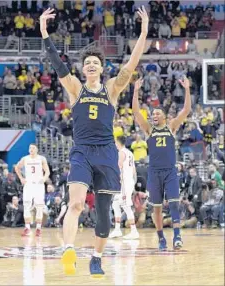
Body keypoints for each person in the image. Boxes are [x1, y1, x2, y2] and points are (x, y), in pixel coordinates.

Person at [39, 6, 148, 276]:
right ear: (83, 68)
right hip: (82, 152)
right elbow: (57, 62)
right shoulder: (75, 86)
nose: (90, 65)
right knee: (75, 203)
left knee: (103, 217)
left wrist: (144, 32)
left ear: (101, 67)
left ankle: (97, 256)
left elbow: (131, 64)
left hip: (107, 154)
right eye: (87, 62)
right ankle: (68, 250)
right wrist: (43, 32)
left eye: (95, 62)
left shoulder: (112, 88)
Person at [132, 76, 191, 250]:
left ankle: (177, 237)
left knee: (174, 203)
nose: (154, 115)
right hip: (154, 173)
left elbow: (186, 110)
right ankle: (161, 238)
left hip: (170, 172)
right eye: (152, 114)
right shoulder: (148, 130)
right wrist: (135, 91)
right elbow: (136, 112)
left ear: (165, 117)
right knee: (156, 209)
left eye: (157, 113)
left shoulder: (171, 126)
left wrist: (187, 89)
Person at [15, 143, 50, 237]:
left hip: (38, 184)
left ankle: (38, 228)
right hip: (28, 184)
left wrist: (44, 178)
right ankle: (27, 228)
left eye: (33, 148)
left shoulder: (42, 158)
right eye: (30, 148)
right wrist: (21, 178)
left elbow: (47, 171)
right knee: (26, 205)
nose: (31, 149)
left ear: (37, 149)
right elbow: (17, 167)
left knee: (39, 206)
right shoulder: (25, 158)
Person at [109, 136, 139, 239]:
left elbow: (118, 168)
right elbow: (134, 171)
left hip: (124, 183)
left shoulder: (121, 153)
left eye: (115, 142)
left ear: (118, 143)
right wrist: (133, 183)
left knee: (126, 205)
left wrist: (119, 181)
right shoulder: (130, 153)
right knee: (115, 204)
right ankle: (117, 230)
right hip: (128, 181)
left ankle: (134, 231)